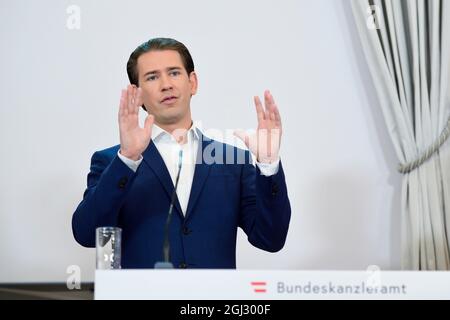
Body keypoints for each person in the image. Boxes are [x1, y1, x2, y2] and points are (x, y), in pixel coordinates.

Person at [72, 37, 291, 269]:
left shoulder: (232, 161)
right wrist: (127, 158)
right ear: (137, 93)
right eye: (152, 77)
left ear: (192, 82)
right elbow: (86, 234)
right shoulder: (111, 162)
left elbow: (270, 239)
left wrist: (268, 164)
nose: (166, 85)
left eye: (174, 73)